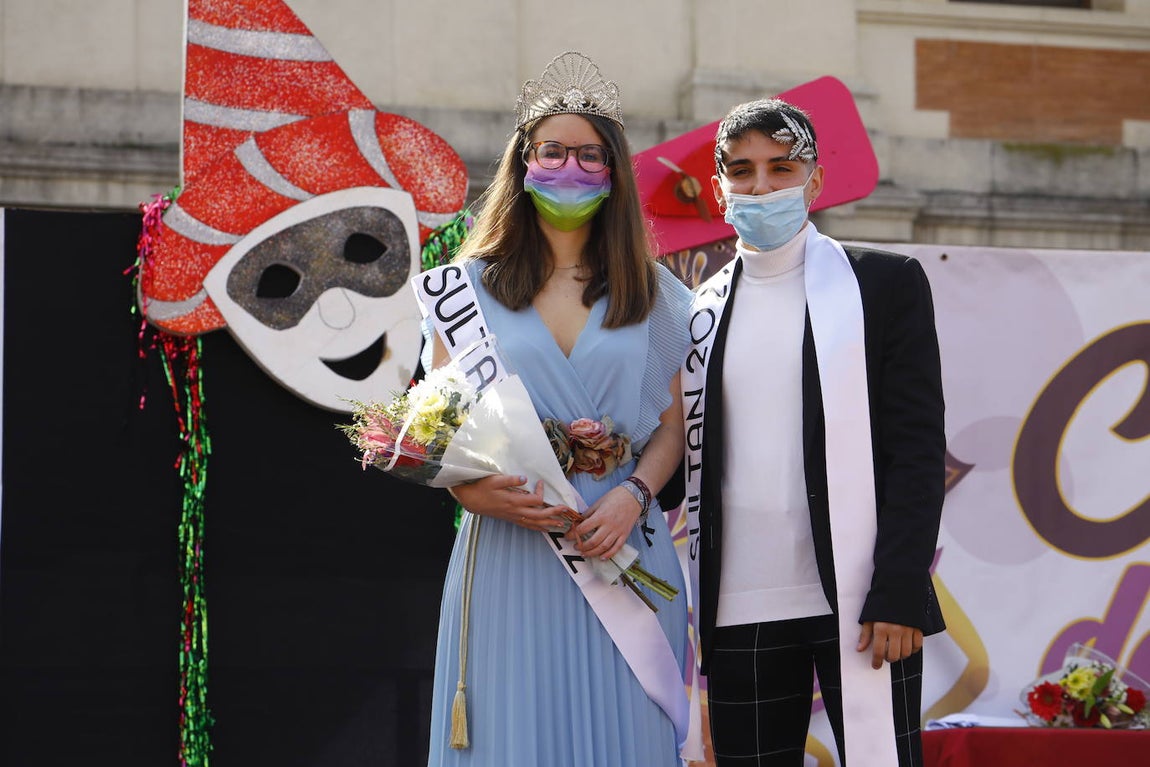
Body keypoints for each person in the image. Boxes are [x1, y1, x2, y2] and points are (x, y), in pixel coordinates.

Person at [418, 52, 694, 767]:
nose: (569, 168)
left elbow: (671, 430)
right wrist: (473, 488)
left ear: (614, 173)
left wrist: (635, 495)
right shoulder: (467, 288)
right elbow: (432, 427)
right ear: (523, 162)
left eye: (590, 155)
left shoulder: (653, 290)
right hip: (514, 546)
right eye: (553, 152)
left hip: (624, 546)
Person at [682, 98, 946, 766]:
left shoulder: (885, 284)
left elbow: (916, 451)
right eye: (741, 171)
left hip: (863, 599)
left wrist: (899, 587)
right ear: (719, 189)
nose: (762, 186)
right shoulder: (696, 312)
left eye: (782, 166)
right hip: (738, 605)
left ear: (816, 180)